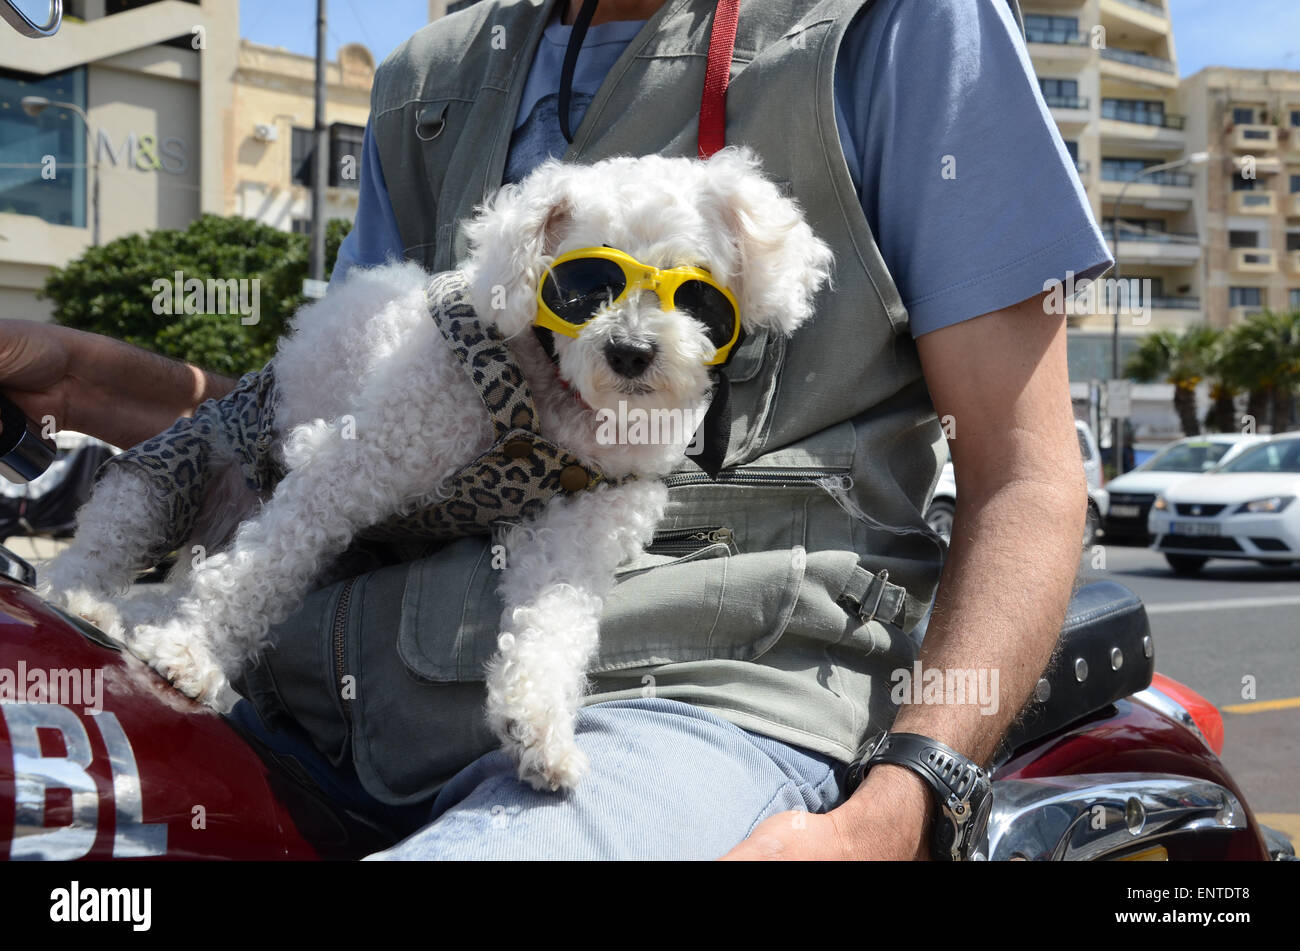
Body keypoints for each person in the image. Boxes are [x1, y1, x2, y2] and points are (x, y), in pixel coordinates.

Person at [0, 0, 1111, 860]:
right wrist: (88, 380)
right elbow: (353, 426)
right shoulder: (431, 77)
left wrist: (906, 802)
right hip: (327, 696)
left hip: (683, 698)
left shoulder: (898, 29)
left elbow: (1023, 475)